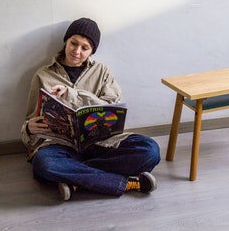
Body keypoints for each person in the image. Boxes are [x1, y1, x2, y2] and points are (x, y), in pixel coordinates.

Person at [21, 17, 161, 201]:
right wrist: (29, 128)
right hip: (61, 147)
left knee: (150, 150)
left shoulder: (102, 71)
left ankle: (75, 178)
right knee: (44, 164)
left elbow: (110, 107)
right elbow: (30, 122)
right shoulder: (43, 76)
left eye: (84, 48)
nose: (77, 51)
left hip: (102, 143)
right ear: (66, 41)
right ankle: (127, 183)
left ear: (92, 51)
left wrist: (73, 94)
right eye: (73, 43)